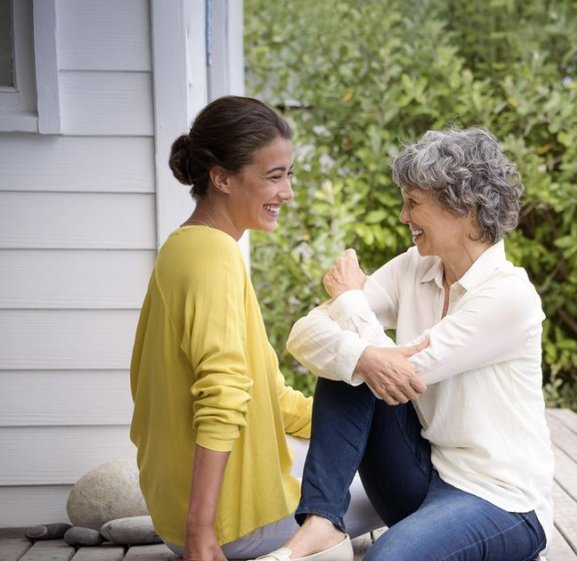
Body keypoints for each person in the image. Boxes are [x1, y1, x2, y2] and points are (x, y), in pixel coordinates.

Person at [262, 127, 554, 561]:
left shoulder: (509, 296)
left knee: (386, 558)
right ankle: (321, 525)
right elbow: (303, 335)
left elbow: (407, 375)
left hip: (502, 501)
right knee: (353, 361)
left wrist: (349, 301)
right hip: (423, 476)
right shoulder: (414, 268)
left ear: (465, 209)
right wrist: (357, 339)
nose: (403, 216)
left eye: (413, 203)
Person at [129, 96, 380, 561]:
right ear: (221, 178)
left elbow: (270, 398)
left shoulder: (182, 248)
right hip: (229, 528)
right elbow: (221, 391)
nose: (288, 192)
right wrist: (202, 534)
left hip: (183, 517)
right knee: (406, 485)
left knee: (365, 417)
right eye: (274, 176)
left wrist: (352, 426)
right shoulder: (215, 258)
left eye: (289, 175)